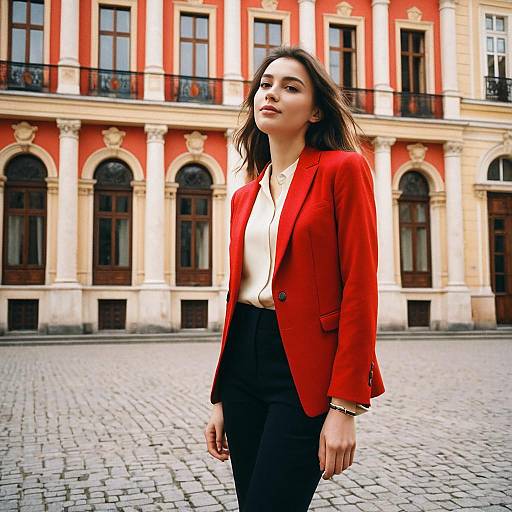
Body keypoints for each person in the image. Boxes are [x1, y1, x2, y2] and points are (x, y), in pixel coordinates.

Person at [204, 45, 385, 512]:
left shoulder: (342, 170)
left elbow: (361, 289)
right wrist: (220, 395)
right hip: (244, 363)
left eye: (290, 87)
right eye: (265, 84)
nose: (272, 93)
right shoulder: (245, 194)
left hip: (304, 369)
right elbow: (236, 297)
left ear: (316, 109)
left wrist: (346, 406)